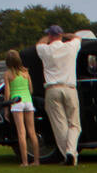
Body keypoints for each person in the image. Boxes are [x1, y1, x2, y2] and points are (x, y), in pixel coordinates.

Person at [37, 25, 90, 165]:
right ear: (60, 35)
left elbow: (39, 43)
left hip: (52, 89)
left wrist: (48, 36)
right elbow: (77, 37)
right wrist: (66, 34)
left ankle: (68, 154)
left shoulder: (46, 49)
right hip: (70, 87)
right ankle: (71, 151)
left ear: (50, 36)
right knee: (74, 124)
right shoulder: (70, 47)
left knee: (59, 126)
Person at [4, 50, 39, 167]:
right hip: (28, 101)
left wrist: (6, 109)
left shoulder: (8, 74)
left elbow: (7, 93)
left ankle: (25, 162)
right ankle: (37, 160)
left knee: (21, 133)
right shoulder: (26, 72)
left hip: (16, 102)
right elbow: (31, 89)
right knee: (32, 132)